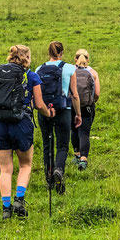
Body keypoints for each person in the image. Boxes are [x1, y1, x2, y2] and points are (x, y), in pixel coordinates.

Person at [0, 45, 53, 219]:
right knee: (25, 165)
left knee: (5, 169)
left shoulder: (1, 74)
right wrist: (49, 114)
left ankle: (6, 208)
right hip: (22, 123)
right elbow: (39, 105)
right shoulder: (32, 76)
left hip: (1, 123)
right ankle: (19, 199)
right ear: (26, 57)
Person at [36, 41, 82, 195]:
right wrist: (78, 114)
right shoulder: (69, 68)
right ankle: (59, 169)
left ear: (49, 52)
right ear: (62, 52)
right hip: (63, 109)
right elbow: (74, 94)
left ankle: (49, 178)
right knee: (62, 145)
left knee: (47, 144)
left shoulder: (39, 69)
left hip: (45, 110)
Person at [71, 49, 100, 171]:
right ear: (88, 59)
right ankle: (83, 160)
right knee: (84, 133)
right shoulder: (93, 73)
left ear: (75, 59)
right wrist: (92, 101)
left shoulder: (70, 71)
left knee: (74, 130)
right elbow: (97, 93)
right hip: (87, 107)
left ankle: (77, 154)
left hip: (72, 105)